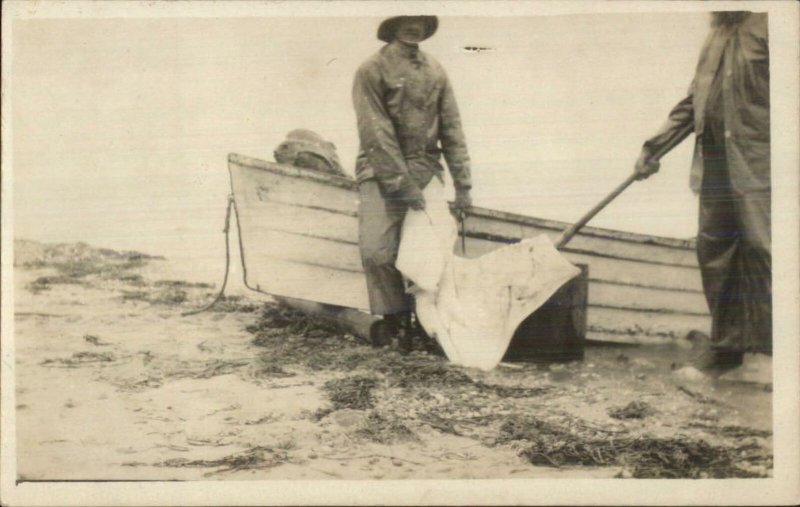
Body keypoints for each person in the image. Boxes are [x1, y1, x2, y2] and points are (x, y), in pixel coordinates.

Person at [634, 11, 770, 371]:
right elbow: (694, 103)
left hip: (763, 166)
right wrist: (653, 149)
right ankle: (727, 349)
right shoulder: (715, 35)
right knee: (714, 251)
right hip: (715, 166)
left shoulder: (774, 24)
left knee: (764, 249)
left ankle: (775, 352)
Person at [352, 15, 473, 352]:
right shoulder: (370, 70)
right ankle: (395, 322)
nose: (414, 26)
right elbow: (376, 133)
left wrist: (463, 187)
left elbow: (452, 130)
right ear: (393, 26)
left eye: (420, 20)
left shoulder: (436, 71)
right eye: (406, 19)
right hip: (380, 171)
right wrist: (403, 186)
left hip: (425, 170)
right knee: (377, 252)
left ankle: (430, 326)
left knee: (433, 255)